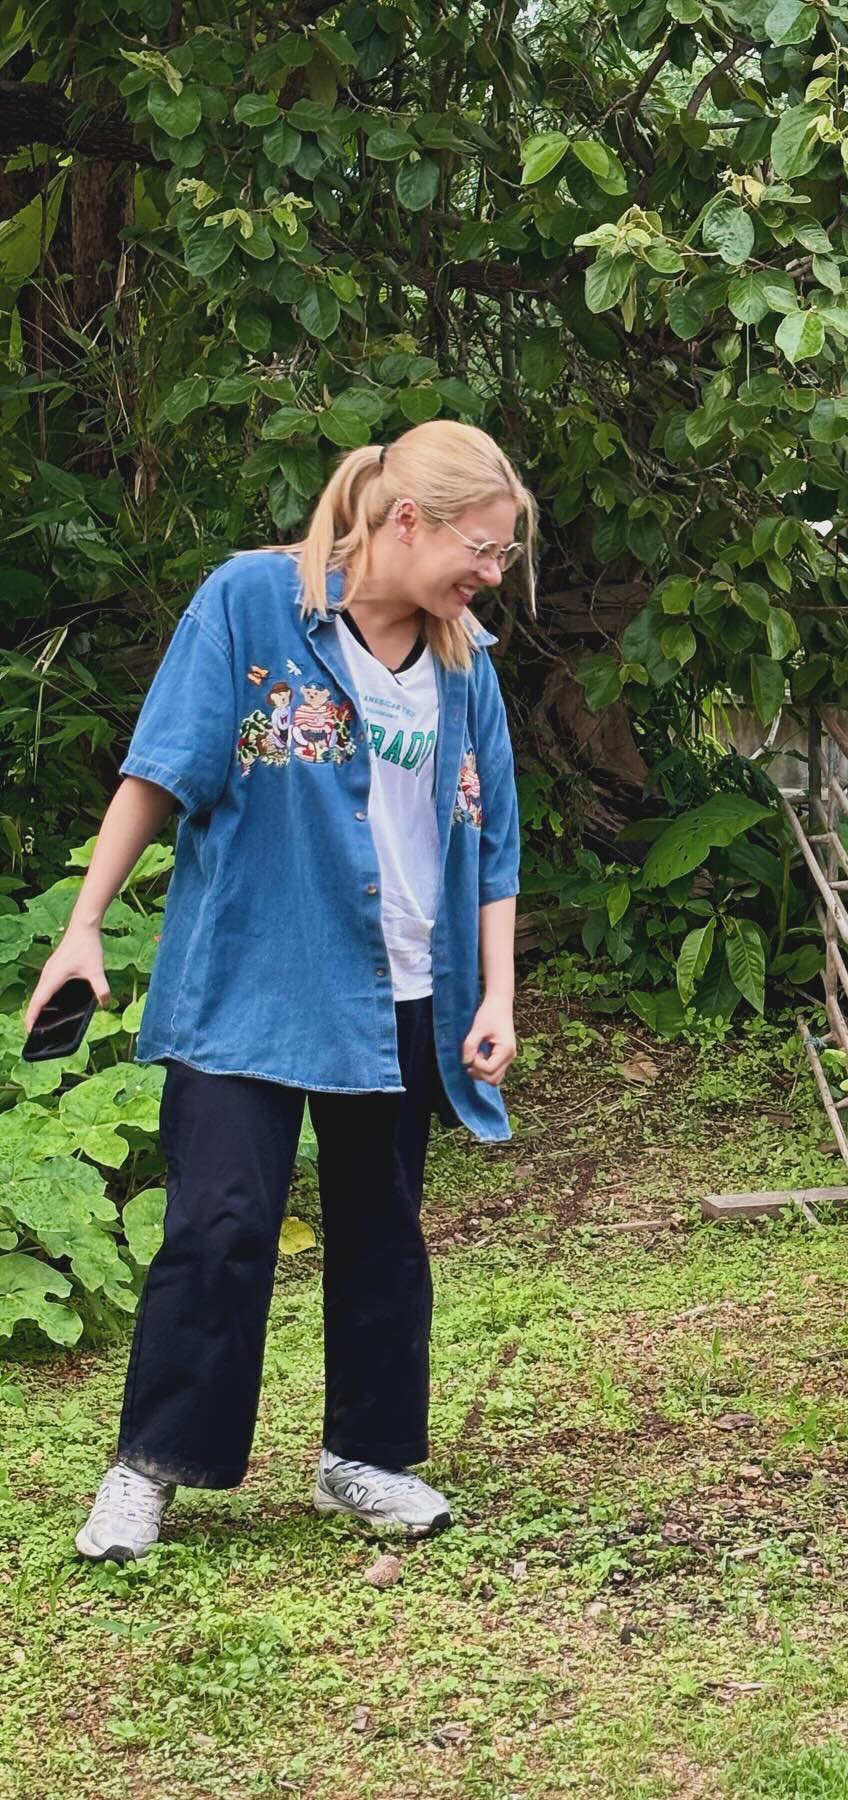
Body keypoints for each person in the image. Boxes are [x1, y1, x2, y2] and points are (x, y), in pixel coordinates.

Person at [25, 419, 534, 1561]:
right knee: (217, 1225)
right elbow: (161, 768)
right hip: (252, 977)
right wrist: (84, 926)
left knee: (380, 1234)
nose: (491, 577)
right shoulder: (254, 605)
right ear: (409, 520)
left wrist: (495, 995)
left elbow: (490, 835)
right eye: (484, 551)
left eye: (502, 558)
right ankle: (149, 1469)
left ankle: (365, 1459)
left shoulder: (466, 662)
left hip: (402, 994)